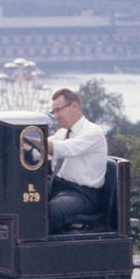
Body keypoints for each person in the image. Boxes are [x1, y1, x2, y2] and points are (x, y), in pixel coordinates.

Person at [45, 88, 109, 230]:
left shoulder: (93, 132)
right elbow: (40, 152)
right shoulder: (62, 133)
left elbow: (67, 148)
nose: (56, 116)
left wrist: (30, 139)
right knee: (28, 202)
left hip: (83, 195)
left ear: (74, 106)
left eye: (58, 110)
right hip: (59, 188)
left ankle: (41, 243)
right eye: (53, 112)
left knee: (53, 210)